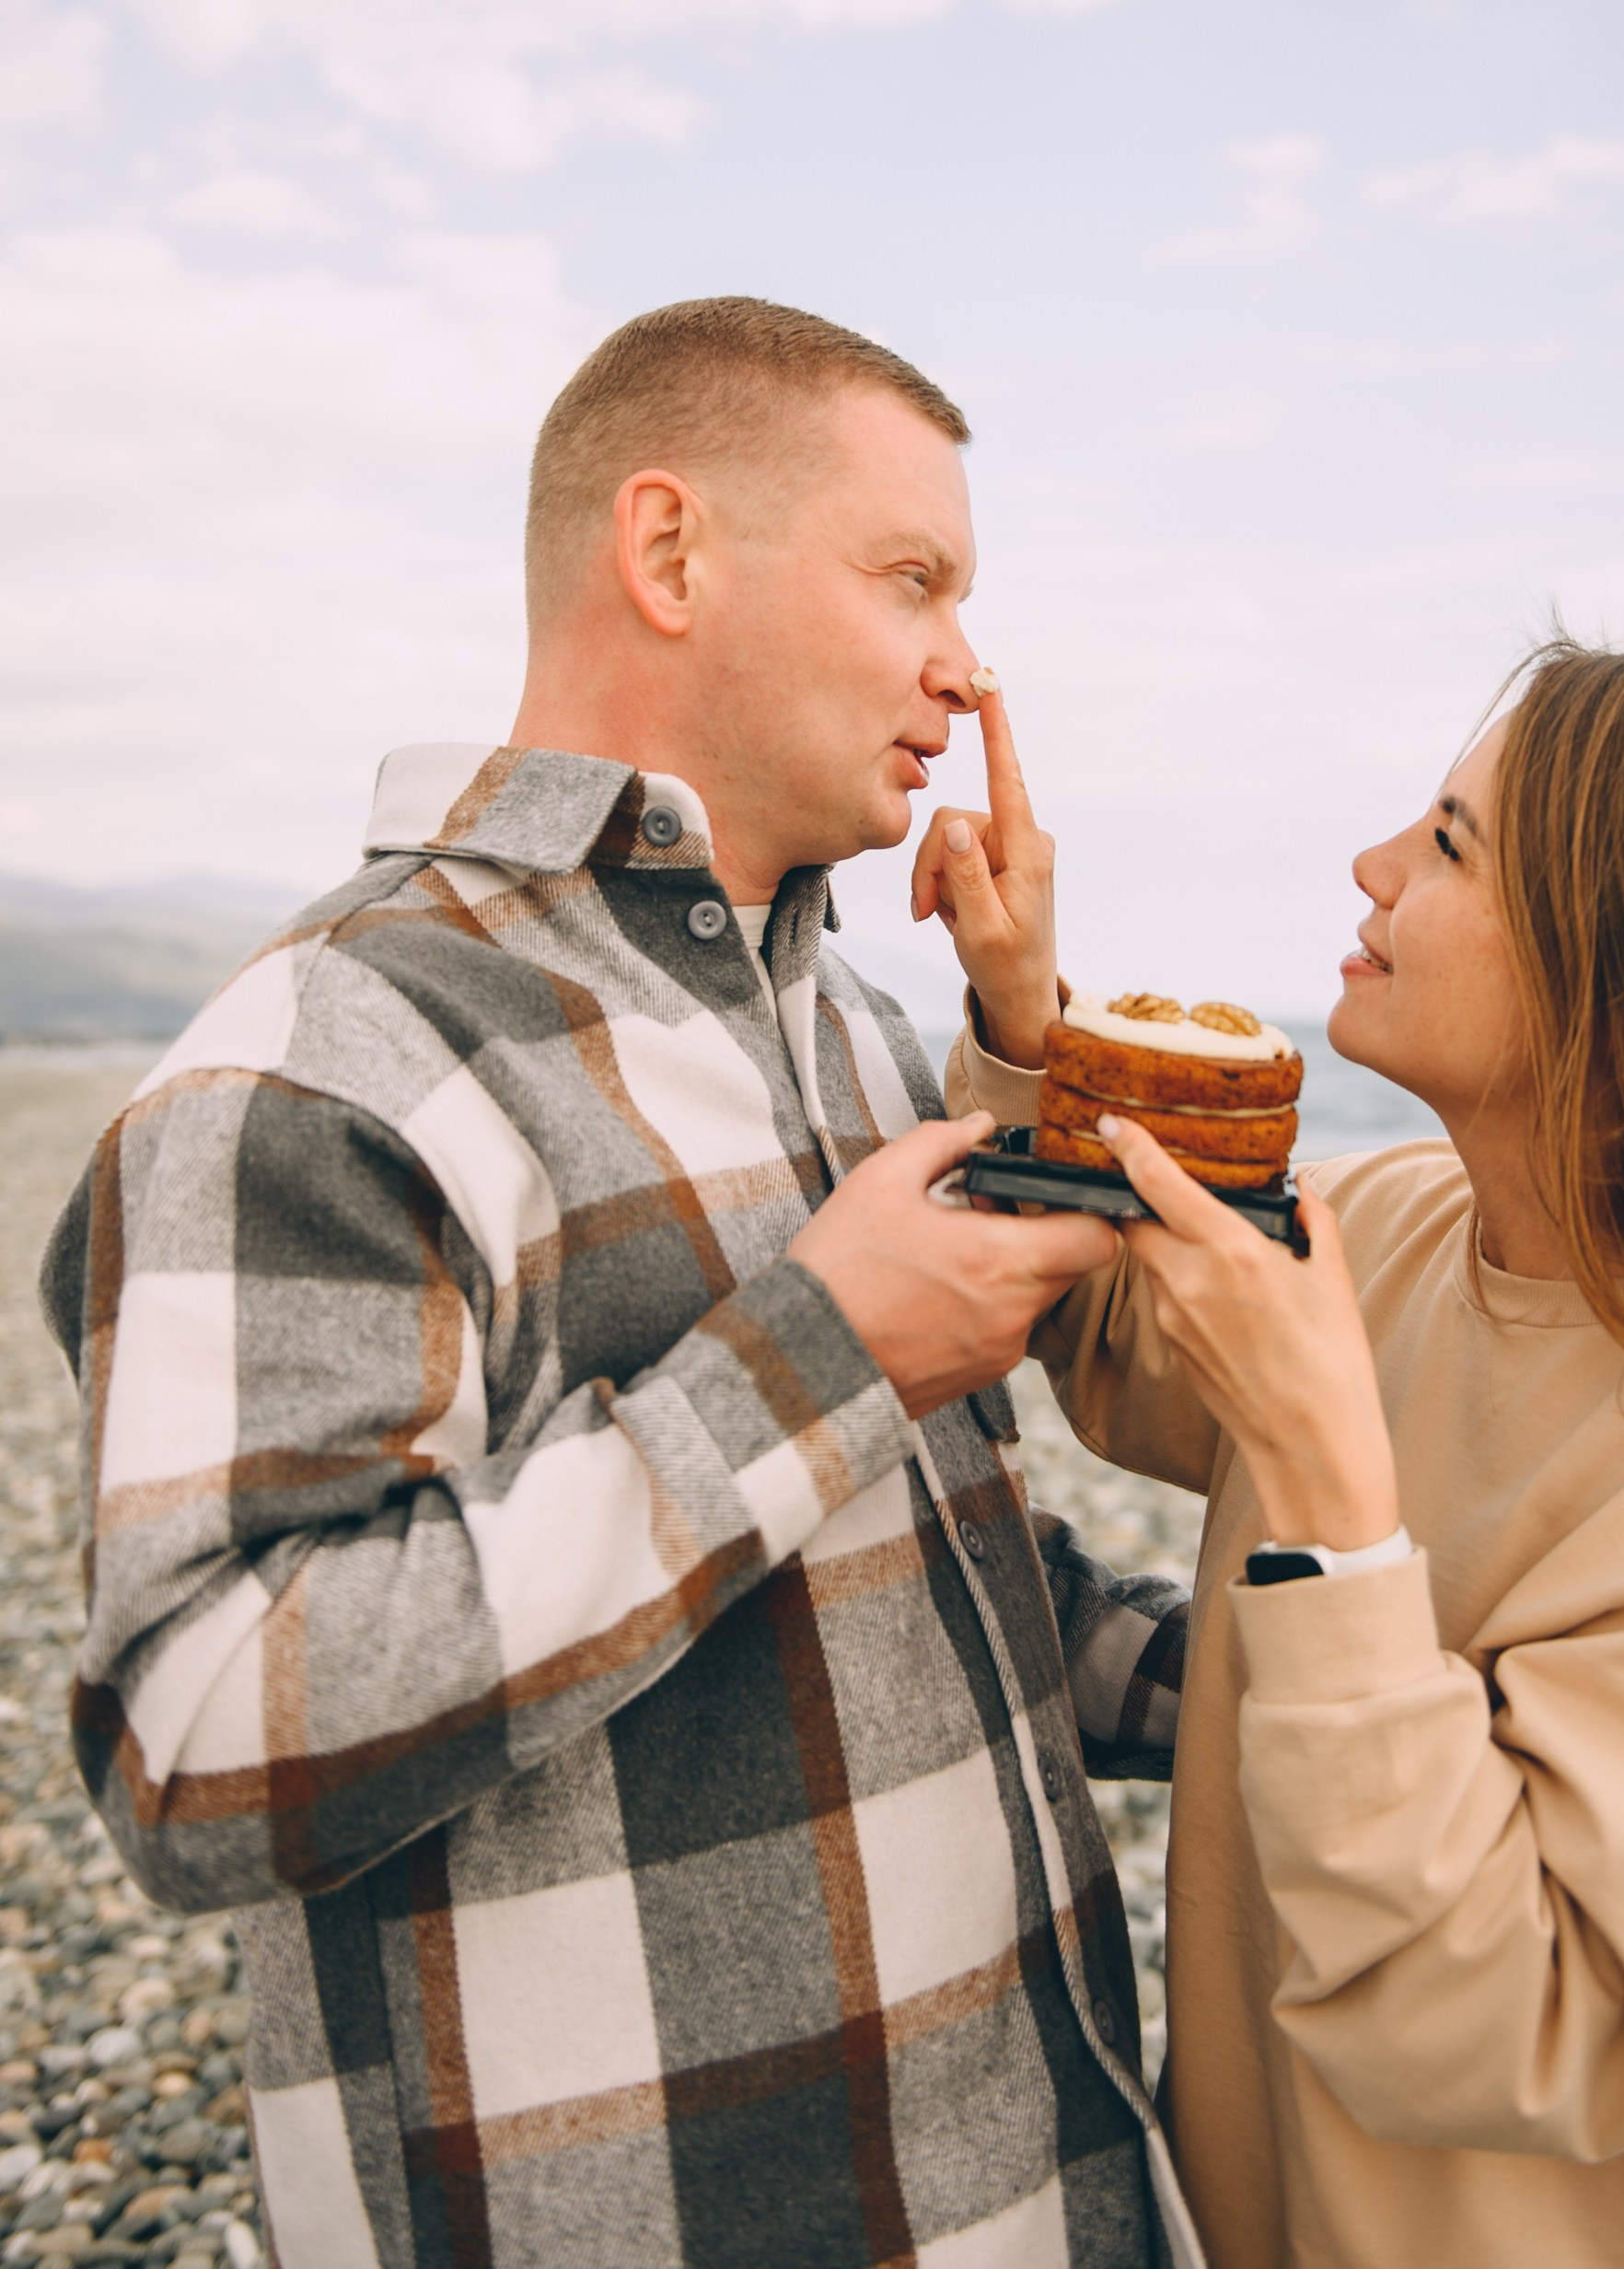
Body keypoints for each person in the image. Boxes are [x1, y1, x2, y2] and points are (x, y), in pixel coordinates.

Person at [40, 298, 1207, 2269]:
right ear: (667, 552)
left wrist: (1308, 1668)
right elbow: (201, 1738)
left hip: (1045, 2192)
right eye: (911, 575)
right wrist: (818, 1350)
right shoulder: (321, 1054)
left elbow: (926, 1566)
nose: (964, 662)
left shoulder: (846, 1024)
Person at [934, 640, 1624, 2268]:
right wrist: (1022, 1016)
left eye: (1446, 840)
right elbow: (1124, 1344)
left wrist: (1330, 1485)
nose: (1369, 865)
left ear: (1622, 970)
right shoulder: (1411, 1216)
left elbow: (1497, 2031)